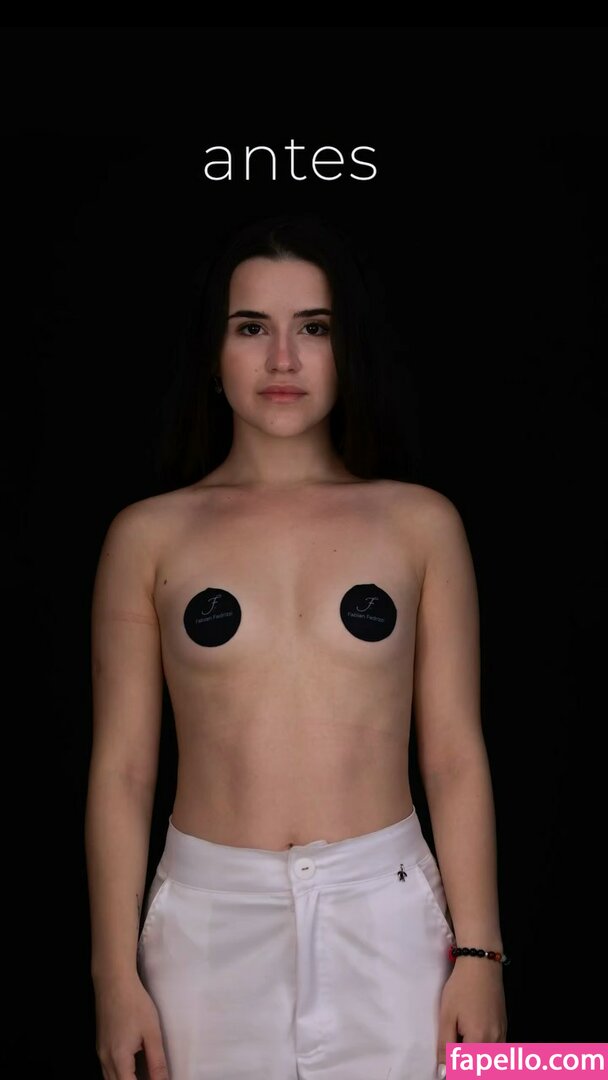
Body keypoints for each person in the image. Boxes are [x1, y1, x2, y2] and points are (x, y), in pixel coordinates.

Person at [84, 211, 508, 1080]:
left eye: (313, 328)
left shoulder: (420, 523)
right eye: (252, 328)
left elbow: (454, 756)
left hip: (391, 918)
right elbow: (123, 770)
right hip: (206, 927)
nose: (283, 359)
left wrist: (481, 956)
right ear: (214, 353)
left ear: (347, 350)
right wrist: (112, 974)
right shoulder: (148, 536)